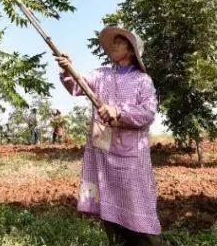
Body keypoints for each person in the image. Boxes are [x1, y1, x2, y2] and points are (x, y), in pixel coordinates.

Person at [56, 26, 161, 245]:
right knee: (109, 208)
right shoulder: (101, 75)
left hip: (130, 156)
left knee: (135, 210)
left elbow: (148, 114)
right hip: (103, 151)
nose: (114, 46)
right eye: (113, 42)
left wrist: (118, 112)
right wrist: (68, 70)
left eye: (119, 43)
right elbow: (78, 86)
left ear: (131, 51)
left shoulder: (143, 81)